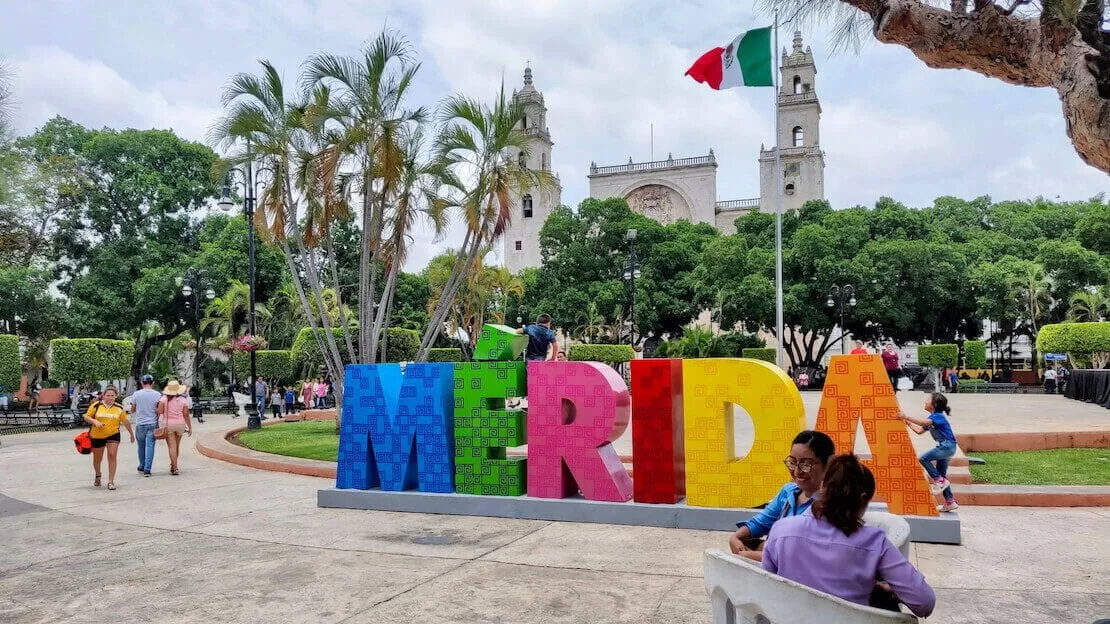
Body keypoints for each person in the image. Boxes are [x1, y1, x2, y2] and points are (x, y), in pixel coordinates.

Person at [762, 454, 936, 618]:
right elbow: (924, 603)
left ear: (822, 486)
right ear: (863, 499)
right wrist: (887, 589)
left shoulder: (781, 530)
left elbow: (768, 587)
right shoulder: (874, 542)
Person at [728, 430, 835, 562]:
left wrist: (750, 556)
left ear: (828, 464)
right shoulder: (788, 492)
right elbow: (762, 522)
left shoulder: (828, 505)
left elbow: (801, 556)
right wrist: (736, 537)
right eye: (792, 462)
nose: (796, 471)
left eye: (806, 464)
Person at [898, 392, 959, 512]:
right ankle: (950, 501)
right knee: (942, 475)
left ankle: (939, 481)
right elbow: (920, 430)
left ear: (934, 404)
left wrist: (906, 416)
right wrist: (907, 423)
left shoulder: (938, 416)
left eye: (927, 399)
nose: (925, 401)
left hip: (947, 446)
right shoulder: (933, 419)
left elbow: (923, 423)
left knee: (923, 458)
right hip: (946, 447)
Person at [83, 386, 135, 490]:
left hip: (113, 434)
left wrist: (131, 434)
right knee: (98, 458)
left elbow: (125, 421)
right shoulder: (96, 405)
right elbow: (86, 416)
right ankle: (98, 474)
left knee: (112, 455)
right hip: (97, 435)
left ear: (116, 396)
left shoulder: (119, 408)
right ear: (103, 395)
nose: (110, 397)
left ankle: (111, 481)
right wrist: (95, 421)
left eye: (112, 395)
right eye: (108, 395)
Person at [157, 380, 193, 475]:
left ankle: (175, 467)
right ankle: (173, 465)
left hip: (168, 425)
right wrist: (189, 427)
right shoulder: (183, 400)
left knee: (171, 447)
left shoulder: (164, 399)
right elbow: (186, 415)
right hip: (180, 424)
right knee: (177, 446)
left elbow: (160, 411)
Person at [130, 375, 162, 477]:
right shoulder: (157, 394)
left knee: (141, 446)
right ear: (153, 383)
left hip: (140, 423)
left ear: (141, 383)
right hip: (152, 423)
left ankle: (142, 465)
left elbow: (133, 409)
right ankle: (147, 469)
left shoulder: (136, 394)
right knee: (150, 445)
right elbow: (158, 410)